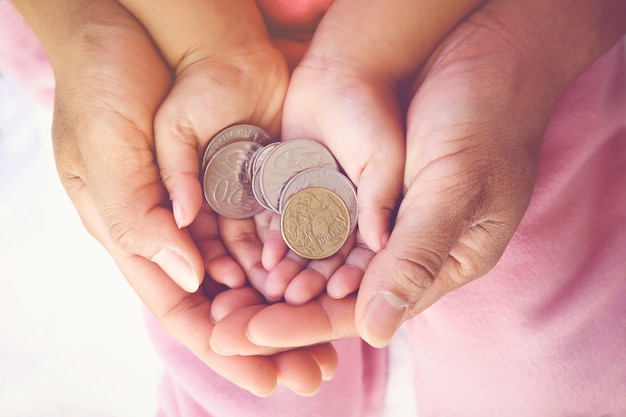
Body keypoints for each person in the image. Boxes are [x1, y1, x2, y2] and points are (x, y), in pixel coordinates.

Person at [5, 0, 626, 415]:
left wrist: (379, 54)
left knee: (548, 364)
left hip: (480, 22)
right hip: (158, 32)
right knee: (240, 370)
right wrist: (198, 48)